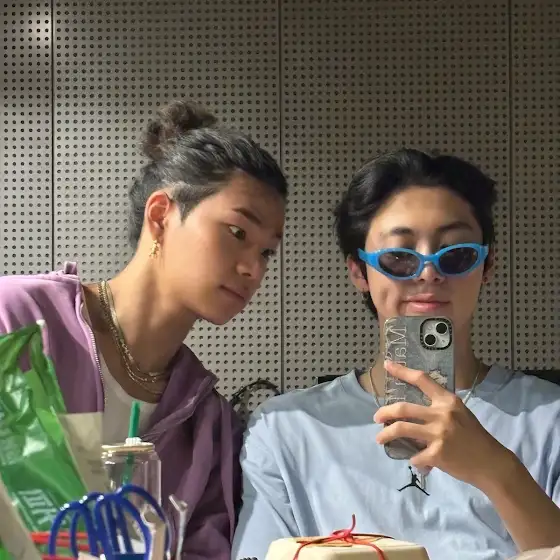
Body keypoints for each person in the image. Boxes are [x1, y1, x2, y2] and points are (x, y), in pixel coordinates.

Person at [232, 149, 560, 560]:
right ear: (359, 271)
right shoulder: (287, 430)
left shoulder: (550, 420)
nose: (428, 272)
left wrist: (497, 470)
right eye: (399, 257)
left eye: (455, 253)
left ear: (487, 265)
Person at [0, 99, 287, 559]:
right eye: (237, 233)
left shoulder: (207, 425)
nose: (254, 269)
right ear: (160, 217)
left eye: (267, 252)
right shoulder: (19, 322)